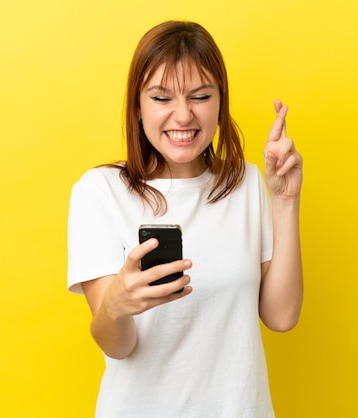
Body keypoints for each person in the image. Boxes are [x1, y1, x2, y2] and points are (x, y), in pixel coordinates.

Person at [67, 20, 303, 418]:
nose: (183, 115)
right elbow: (117, 345)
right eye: (161, 98)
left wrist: (285, 201)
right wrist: (117, 306)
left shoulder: (245, 183)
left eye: (200, 96)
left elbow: (281, 316)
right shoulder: (99, 192)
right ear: (137, 107)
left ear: (220, 102)